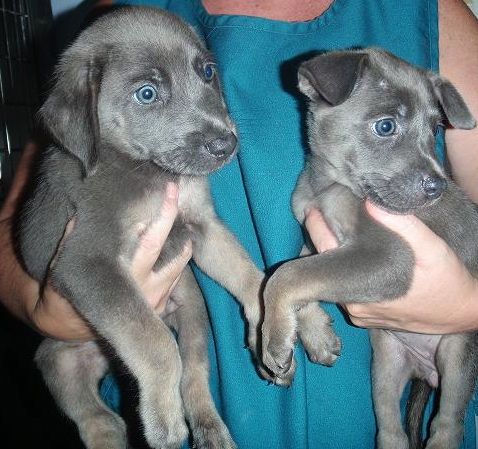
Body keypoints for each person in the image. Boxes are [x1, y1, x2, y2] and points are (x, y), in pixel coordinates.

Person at [0, 0, 477, 447]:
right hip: (212, 390)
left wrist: (468, 306)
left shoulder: (427, 12)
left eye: (207, 72)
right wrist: (49, 312)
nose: (221, 129)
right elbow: (16, 227)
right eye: (148, 93)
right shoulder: (127, 18)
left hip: (391, 390)